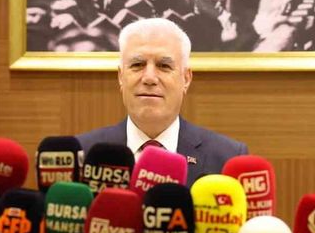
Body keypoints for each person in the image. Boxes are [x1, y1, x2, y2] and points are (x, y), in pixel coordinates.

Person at [77, 18, 248, 186]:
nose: (149, 78)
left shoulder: (228, 158)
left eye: (164, 66)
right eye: (137, 64)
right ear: (121, 77)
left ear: (186, 79)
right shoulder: (83, 154)